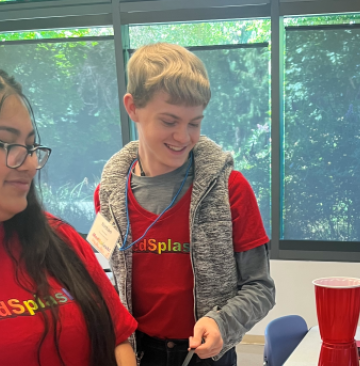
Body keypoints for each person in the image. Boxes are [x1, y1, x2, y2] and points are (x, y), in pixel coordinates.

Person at [94, 43, 275, 366]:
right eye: (169, 121)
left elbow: (260, 288)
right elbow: (113, 283)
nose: (183, 136)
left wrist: (222, 322)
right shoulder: (109, 194)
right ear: (133, 107)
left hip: (207, 356)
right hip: (138, 353)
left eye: (194, 123)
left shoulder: (231, 189)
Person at [0, 56, 137, 366]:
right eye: (6, 142)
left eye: (30, 146)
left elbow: (117, 339)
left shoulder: (60, 240)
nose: (28, 164)